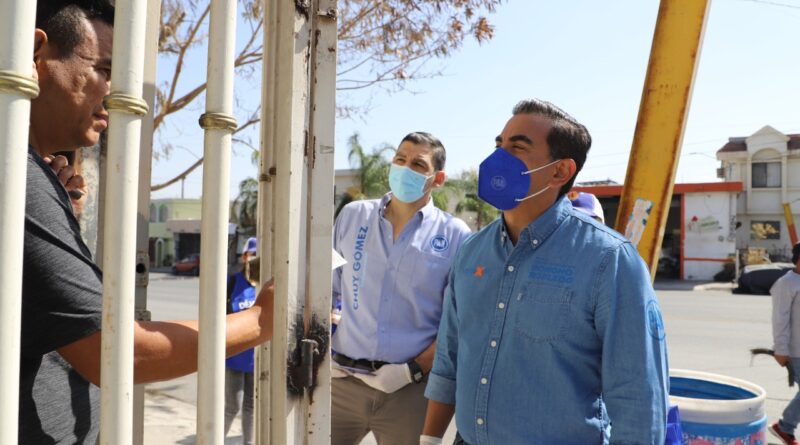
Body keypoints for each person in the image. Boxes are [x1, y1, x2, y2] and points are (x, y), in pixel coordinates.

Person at [20, 2, 273, 443]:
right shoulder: (21, 180)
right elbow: (115, 352)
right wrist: (262, 321)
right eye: (104, 69)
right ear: (37, 53)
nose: (115, 93)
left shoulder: (33, 177)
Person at [421, 99, 669, 445]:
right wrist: (430, 440)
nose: (498, 157)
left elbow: (638, 398)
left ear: (560, 171)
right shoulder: (471, 251)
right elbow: (449, 361)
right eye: (499, 145)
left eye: (517, 147)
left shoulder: (609, 260)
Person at [330, 132, 471, 444]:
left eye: (418, 164)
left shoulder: (455, 235)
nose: (405, 169)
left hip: (410, 391)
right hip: (341, 383)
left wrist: (413, 370)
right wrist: (323, 348)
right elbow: (325, 291)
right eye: (400, 159)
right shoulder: (353, 216)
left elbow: (458, 322)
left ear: (438, 179)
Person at [223, 237, 259, 445]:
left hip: (256, 357)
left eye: (258, 255)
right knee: (232, 407)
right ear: (244, 256)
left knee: (251, 407)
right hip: (234, 356)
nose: (254, 258)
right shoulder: (232, 283)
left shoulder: (264, 284)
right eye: (251, 254)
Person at [769, 242, 800, 445]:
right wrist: (780, 349)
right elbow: (780, 319)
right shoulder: (786, 283)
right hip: (796, 351)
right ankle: (785, 427)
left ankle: (785, 426)